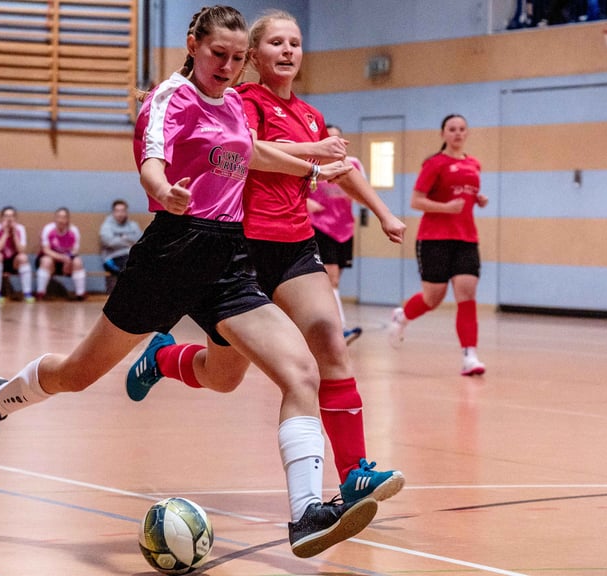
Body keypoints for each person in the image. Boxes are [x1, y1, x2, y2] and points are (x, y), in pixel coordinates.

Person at [0, 5, 377, 559]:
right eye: (218, 54)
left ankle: (306, 515)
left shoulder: (233, 104)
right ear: (193, 44)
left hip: (228, 258)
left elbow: (251, 153)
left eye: (237, 58)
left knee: (298, 373)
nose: (228, 66)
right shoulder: (168, 98)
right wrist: (163, 190)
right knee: (78, 374)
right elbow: (151, 160)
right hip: (171, 253)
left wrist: (314, 168)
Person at [128, 10, 407, 508]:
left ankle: (354, 473)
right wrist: (314, 150)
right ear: (253, 55)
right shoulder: (242, 100)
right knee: (223, 377)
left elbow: (339, 168)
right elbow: (252, 149)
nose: (288, 50)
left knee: (329, 338)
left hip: (296, 245)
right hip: (244, 248)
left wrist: (383, 212)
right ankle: (163, 358)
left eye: (295, 43)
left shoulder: (310, 114)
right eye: (276, 42)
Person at [388, 114, 489, 376]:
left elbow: (463, 193)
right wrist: (446, 208)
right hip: (434, 239)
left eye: (462, 129)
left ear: (467, 133)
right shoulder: (434, 164)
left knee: (467, 294)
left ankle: (470, 356)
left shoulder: (474, 164)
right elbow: (416, 201)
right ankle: (402, 316)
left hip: (466, 238)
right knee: (433, 298)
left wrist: (478, 199)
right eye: (452, 129)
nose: (457, 133)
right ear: (443, 133)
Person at [309, 124, 364, 344]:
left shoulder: (353, 165)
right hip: (320, 226)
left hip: (345, 229)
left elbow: (362, 193)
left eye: (338, 138)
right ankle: (340, 329)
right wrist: (305, 203)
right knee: (330, 277)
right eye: (328, 137)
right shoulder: (311, 164)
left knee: (334, 279)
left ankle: (324, 326)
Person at [36, 207, 86, 301]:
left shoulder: (74, 230)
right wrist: (62, 258)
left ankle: (80, 294)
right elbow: (46, 250)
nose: (61, 220)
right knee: (46, 261)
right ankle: (40, 293)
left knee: (78, 262)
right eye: (59, 217)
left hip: (67, 259)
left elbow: (75, 250)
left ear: (67, 219)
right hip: (52, 258)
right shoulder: (48, 229)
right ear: (55, 218)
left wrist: (68, 259)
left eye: (64, 217)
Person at [0, 206, 35, 303]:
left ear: (15, 218)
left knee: (23, 258)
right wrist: (5, 233)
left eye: (12, 216)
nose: (9, 219)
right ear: (1, 218)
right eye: (6, 216)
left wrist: (14, 234)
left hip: (13, 262)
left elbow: (21, 250)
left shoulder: (20, 229)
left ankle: (27, 293)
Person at [99, 199, 142, 294]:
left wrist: (121, 239)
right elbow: (109, 242)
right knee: (129, 266)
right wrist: (129, 241)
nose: (120, 214)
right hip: (113, 258)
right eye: (117, 211)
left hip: (131, 255)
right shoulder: (107, 226)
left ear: (126, 212)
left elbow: (139, 240)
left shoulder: (133, 225)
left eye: (123, 211)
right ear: (113, 212)